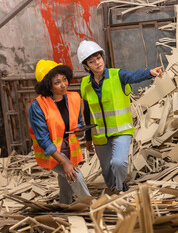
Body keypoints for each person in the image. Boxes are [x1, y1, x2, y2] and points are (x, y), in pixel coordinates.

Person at [77, 40, 163, 193]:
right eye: (92, 61)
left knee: (118, 163)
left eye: (98, 58)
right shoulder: (85, 84)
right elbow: (87, 113)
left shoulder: (118, 76)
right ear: (86, 67)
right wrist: (88, 138)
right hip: (100, 136)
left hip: (121, 131)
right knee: (106, 170)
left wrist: (150, 72)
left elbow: (133, 76)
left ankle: (120, 189)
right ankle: (113, 189)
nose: (97, 63)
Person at [28, 60, 91, 204]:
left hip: (69, 148)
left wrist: (80, 131)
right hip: (52, 152)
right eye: (57, 82)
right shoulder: (38, 106)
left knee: (66, 179)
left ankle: (65, 206)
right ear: (48, 85)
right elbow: (43, 140)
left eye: (64, 79)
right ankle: (92, 208)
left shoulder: (74, 97)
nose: (63, 84)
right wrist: (64, 162)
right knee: (76, 175)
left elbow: (78, 123)